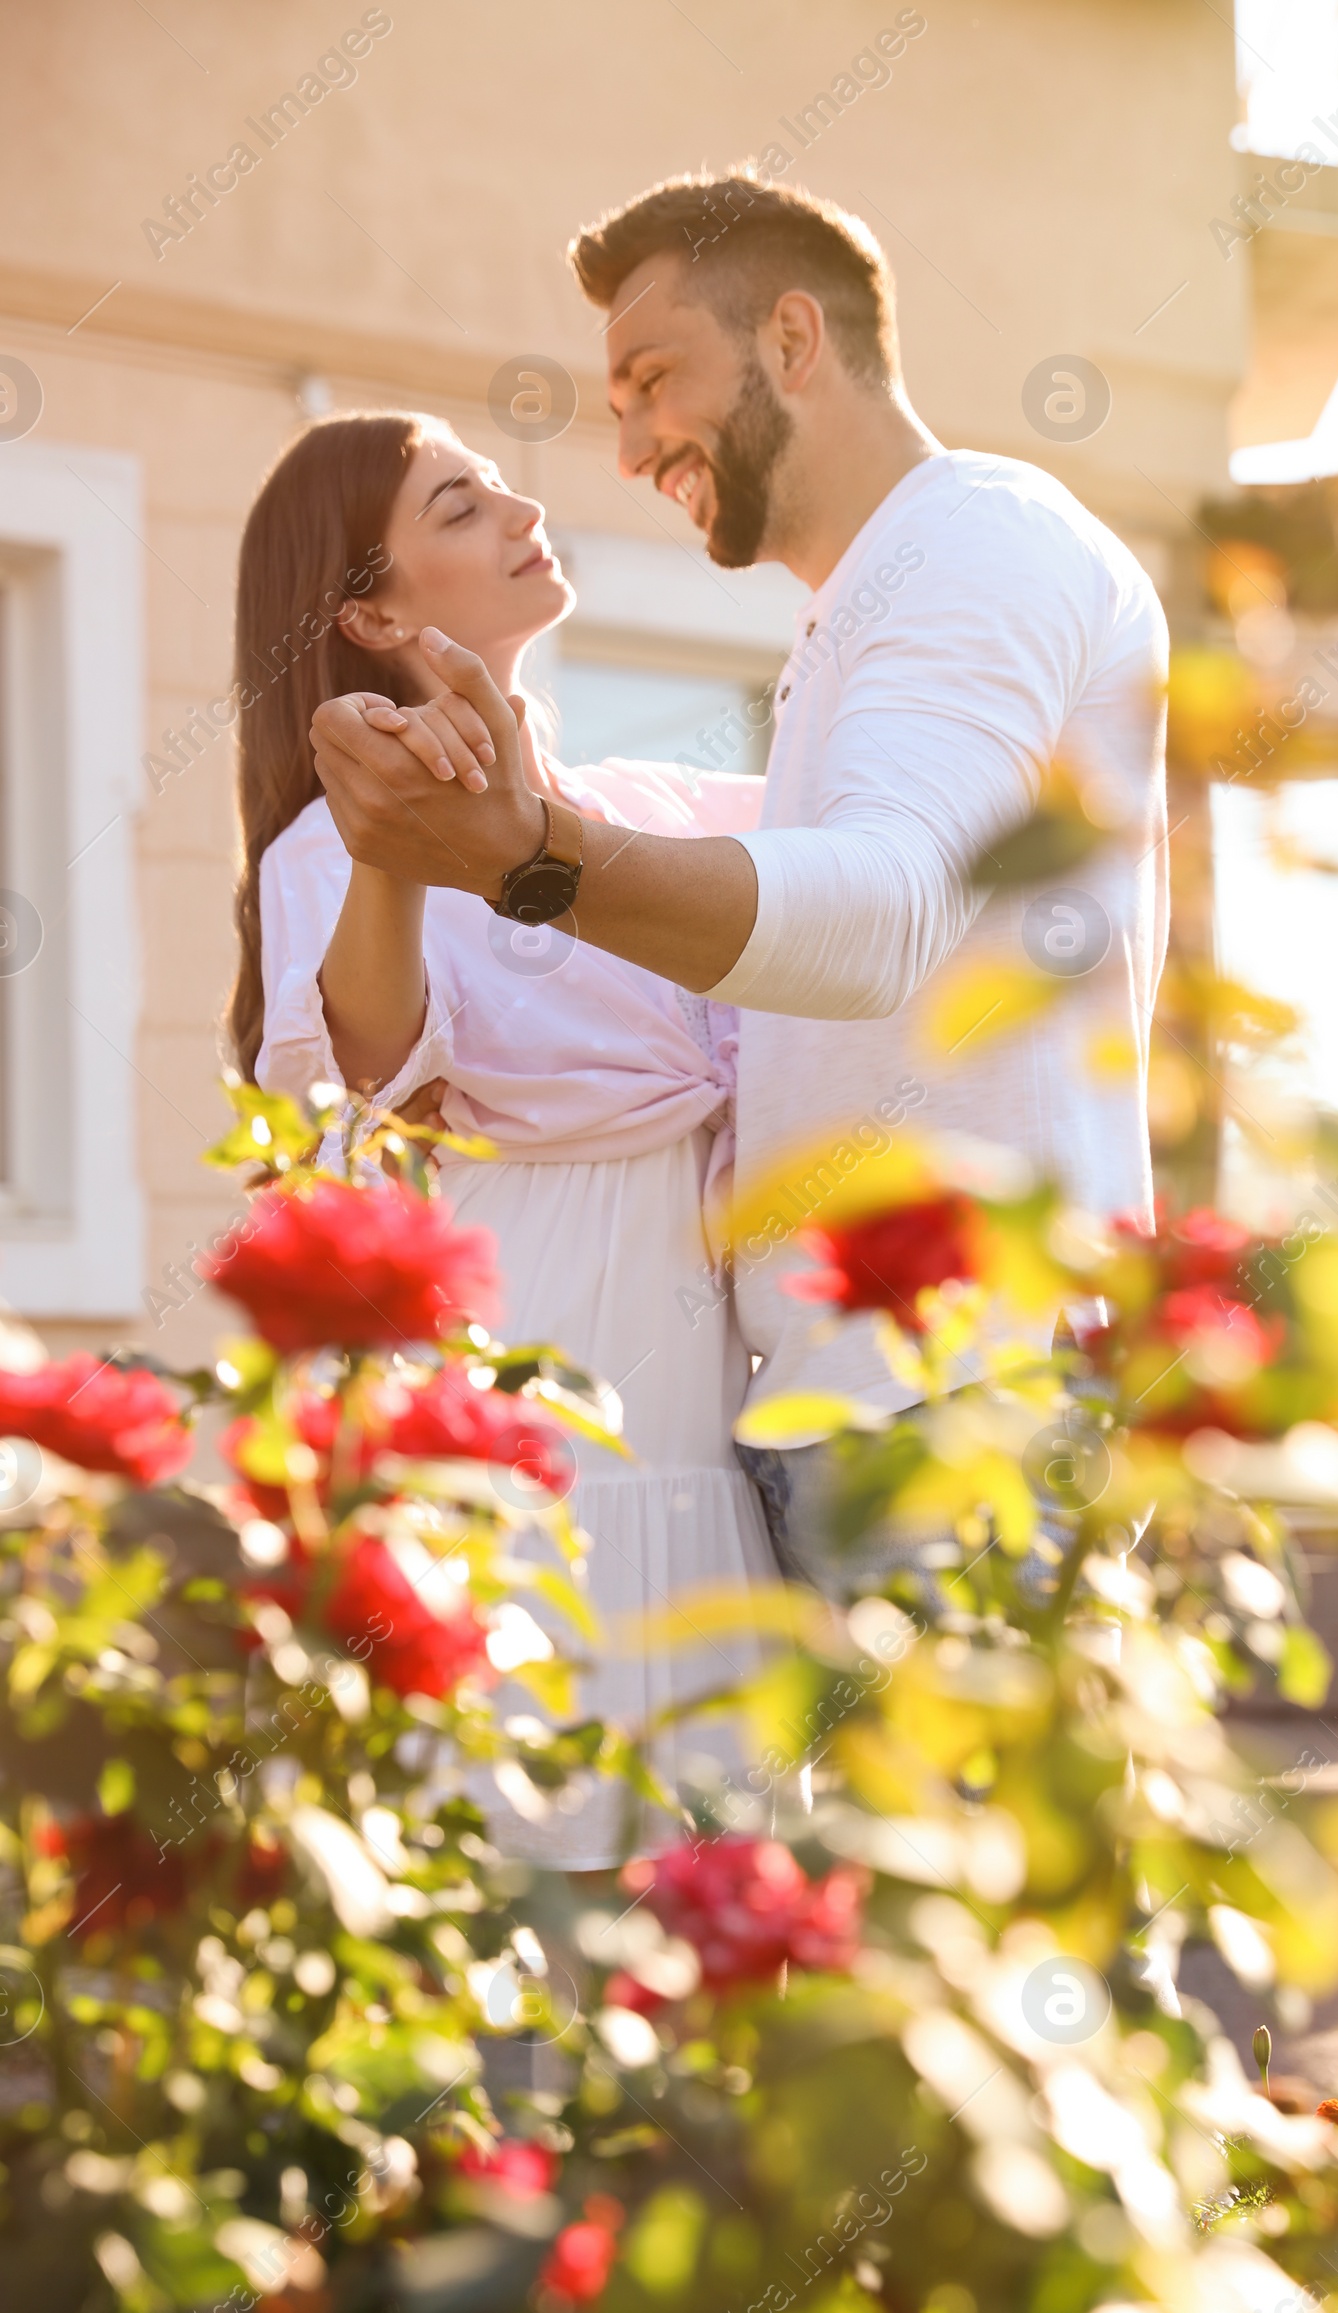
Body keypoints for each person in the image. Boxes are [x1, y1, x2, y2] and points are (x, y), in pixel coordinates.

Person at [308, 172, 1170, 1577]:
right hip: (868, 1403)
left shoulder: (976, 543)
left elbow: (884, 914)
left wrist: (537, 858)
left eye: (656, 380)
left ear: (789, 340)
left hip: (963, 1405)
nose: (637, 444)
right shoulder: (855, 616)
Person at [228, 409, 775, 1860]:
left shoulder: (650, 817)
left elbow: (881, 859)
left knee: (701, 1939)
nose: (521, 504)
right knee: (520, 1938)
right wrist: (393, 839)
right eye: (460, 504)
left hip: (705, 1457)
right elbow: (363, 1065)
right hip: (532, 1438)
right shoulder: (322, 856)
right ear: (373, 611)